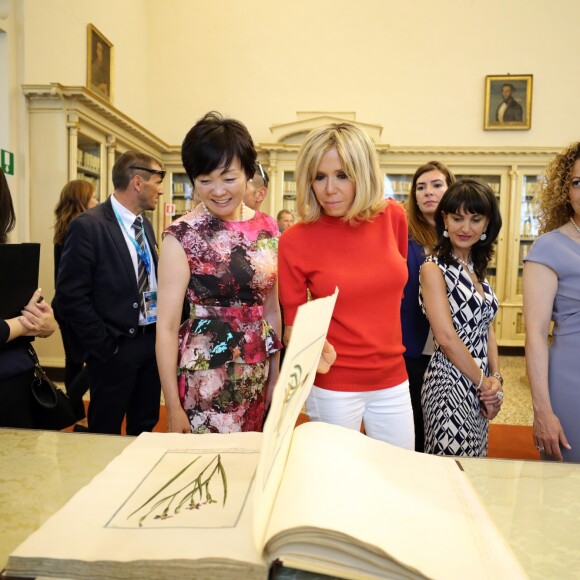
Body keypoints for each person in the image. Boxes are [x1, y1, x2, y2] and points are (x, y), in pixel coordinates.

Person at [278, 122, 414, 448]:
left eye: (342, 175)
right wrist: (305, 346)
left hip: (393, 378)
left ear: (363, 174)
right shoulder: (295, 240)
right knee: (337, 484)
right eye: (319, 176)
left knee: (399, 476)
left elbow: (394, 290)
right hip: (333, 384)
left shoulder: (392, 217)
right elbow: (292, 325)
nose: (329, 189)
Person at [156, 111, 283, 434]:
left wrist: (275, 375)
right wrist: (172, 406)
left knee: (248, 468)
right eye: (204, 180)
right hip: (204, 378)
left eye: (229, 178)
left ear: (249, 174)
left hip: (257, 371)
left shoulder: (269, 230)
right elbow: (167, 328)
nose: (218, 191)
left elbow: (271, 309)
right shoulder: (181, 235)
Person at [54, 151, 164, 435]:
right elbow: (70, 297)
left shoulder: (146, 226)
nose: (161, 189)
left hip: (150, 344)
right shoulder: (88, 226)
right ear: (137, 182)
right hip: (115, 348)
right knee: (105, 431)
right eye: (157, 181)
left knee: (144, 426)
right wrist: (104, 347)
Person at [419, 179, 503, 457]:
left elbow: (487, 330)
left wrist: (496, 379)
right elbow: (445, 337)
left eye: (475, 219)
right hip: (449, 382)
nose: (465, 228)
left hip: (479, 382)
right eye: (457, 218)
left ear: (487, 224)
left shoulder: (477, 269)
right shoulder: (433, 269)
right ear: (444, 219)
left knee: (475, 465)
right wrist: (484, 384)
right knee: (449, 471)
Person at [523, 141, 580, 462]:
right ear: (565, 190)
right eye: (577, 182)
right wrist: (542, 410)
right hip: (573, 385)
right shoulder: (549, 247)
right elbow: (535, 335)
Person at [401, 161, 455, 452]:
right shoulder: (405, 237)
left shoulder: (461, 236)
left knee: (443, 425)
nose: (428, 192)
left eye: (436, 185)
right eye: (420, 187)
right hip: (413, 346)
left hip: (453, 349)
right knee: (415, 426)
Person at [0, 168, 57, 428]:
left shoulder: (9, 257)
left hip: (14, 382)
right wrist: (24, 324)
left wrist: (45, 323)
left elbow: (36, 316)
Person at [53, 179, 98, 426]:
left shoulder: (64, 227)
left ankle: (75, 415)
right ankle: (70, 401)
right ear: (81, 200)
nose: (97, 201)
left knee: (73, 360)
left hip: (62, 305)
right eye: (92, 197)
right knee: (96, 359)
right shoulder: (80, 229)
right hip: (75, 307)